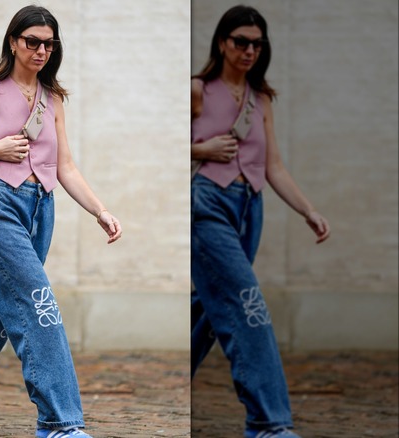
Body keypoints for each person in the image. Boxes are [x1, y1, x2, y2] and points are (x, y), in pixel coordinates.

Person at [0, 5, 122, 438]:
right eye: (32, 41)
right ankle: (58, 421)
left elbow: (65, 165)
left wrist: (100, 210)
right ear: (13, 41)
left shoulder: (53, 99)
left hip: (41, 209)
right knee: (39, 306)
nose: (40, 50)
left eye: (48, 43)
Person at [190, 5, 330, 438]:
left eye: (257, 43)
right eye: (241, 42)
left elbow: (275, 167)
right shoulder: (197, 90)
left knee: (211, 310)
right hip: (207, 204)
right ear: (222, 43)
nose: (250, 50)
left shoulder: (261, 98)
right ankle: (269, 423)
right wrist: (200, 148)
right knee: (248, 304)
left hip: (250, 209)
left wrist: (308, 209)